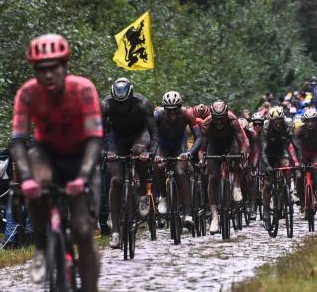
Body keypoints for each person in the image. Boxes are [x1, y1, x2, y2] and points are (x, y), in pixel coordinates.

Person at [10, 33, 103, 292]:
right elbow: (19, 142)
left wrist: (83, 178)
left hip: (81, 158)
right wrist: (25, 178)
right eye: (41, 69)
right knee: (34, 184)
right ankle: (40, 248)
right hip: (47, 154)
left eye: (54, 67)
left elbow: (94, 140)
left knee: (83, 231)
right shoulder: (27, 94)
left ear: (65, 67)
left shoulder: (84, 89)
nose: (48, 74)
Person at [100, 77, 156, 248]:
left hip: (139, 134)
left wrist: (151, 153)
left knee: (140, 152)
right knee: (116, 181)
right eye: (119, 104)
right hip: (117, 139)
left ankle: (141, 196)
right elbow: (97, 133)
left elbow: (154, 133)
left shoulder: (143, 103)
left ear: (132, 97)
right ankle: (116, 231)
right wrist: (104, 152)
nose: (122, 108)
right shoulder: (105, 105)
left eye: (126, 104)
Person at [152, 91, 202, 228]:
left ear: (180, 107)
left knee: (180, 172)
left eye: (176, 109)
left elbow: (199, 137)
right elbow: (151, 135)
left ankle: (187, 213)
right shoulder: (157, 115)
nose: (173, 113)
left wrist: (190, 153)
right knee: (159, 166)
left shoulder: (188, 114)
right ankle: (163, 197)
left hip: (179, 144)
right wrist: (152, 153)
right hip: (162, 144)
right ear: (164, 108)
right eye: (169, 110)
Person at [200, 99, 248, 234]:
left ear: (226, 115)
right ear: (212, 116)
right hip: (213, 145)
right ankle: (215, 216)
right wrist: (201, 159)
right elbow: (202, 148)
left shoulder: (233, 120)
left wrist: (244, 155)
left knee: (237, 156)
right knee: (213, 177)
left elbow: (242, 142)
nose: (219, 121)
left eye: (222, 118)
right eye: (216, 118)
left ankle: (236, 186)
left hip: (230, 142)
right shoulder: (207, 123)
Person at [259, 106, 300, 220]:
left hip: (281, 151)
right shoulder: (266, 128)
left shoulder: (288, 126)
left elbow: (296, 145)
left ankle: (285, 190)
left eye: (280, 120)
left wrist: (300, 162)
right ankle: (266, 209)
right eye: (275, 121)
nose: (278, 123)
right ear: (271, 121)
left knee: (286, 165)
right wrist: (267, 165)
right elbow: (263, 150)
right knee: (267, 184)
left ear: (283, 120)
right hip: (267, 154)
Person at [293, 108, 317, 204]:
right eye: (307, 121)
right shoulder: (299, 130)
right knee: (299, 174)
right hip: (303, 153)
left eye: (312, 121)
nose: (310, 123)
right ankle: (300, 196)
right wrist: (296, 161)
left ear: (316, 121)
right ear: (304, 121)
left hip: (316, 152)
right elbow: (291, 145)